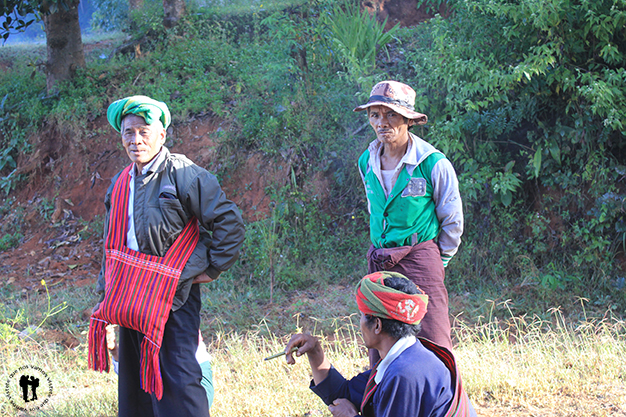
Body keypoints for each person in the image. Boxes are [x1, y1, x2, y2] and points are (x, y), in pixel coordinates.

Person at [88, 95, 245, 417]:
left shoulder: (184, 174)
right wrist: (106, 295)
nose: (136, 140)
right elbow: (112, 244)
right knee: (135, 385)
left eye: (144, 131)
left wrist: (213, 267)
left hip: (173, 297)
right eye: (128, 132)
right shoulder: (120, 182)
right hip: (130, 296)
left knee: (178, 378)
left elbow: (229, 222)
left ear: (162, 134)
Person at [355, 80, 463, 353]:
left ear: (408, 120)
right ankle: (385, 395)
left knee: (432, 338)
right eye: (375, 115)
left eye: (391, 114)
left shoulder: (432, 163)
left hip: (420, 259)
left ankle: (440, 394)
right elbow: (374, 208)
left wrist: (437, 261)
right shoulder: (366, 161)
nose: (382, 123)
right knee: (382, 339)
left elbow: (452, 220)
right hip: (381, 259)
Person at [284, 271, 476, 417]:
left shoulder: (404, 374)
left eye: (362, 314)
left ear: (377, 325)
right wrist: (315, 351)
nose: (358, 322)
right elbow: (343, 393)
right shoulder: (404, 356)